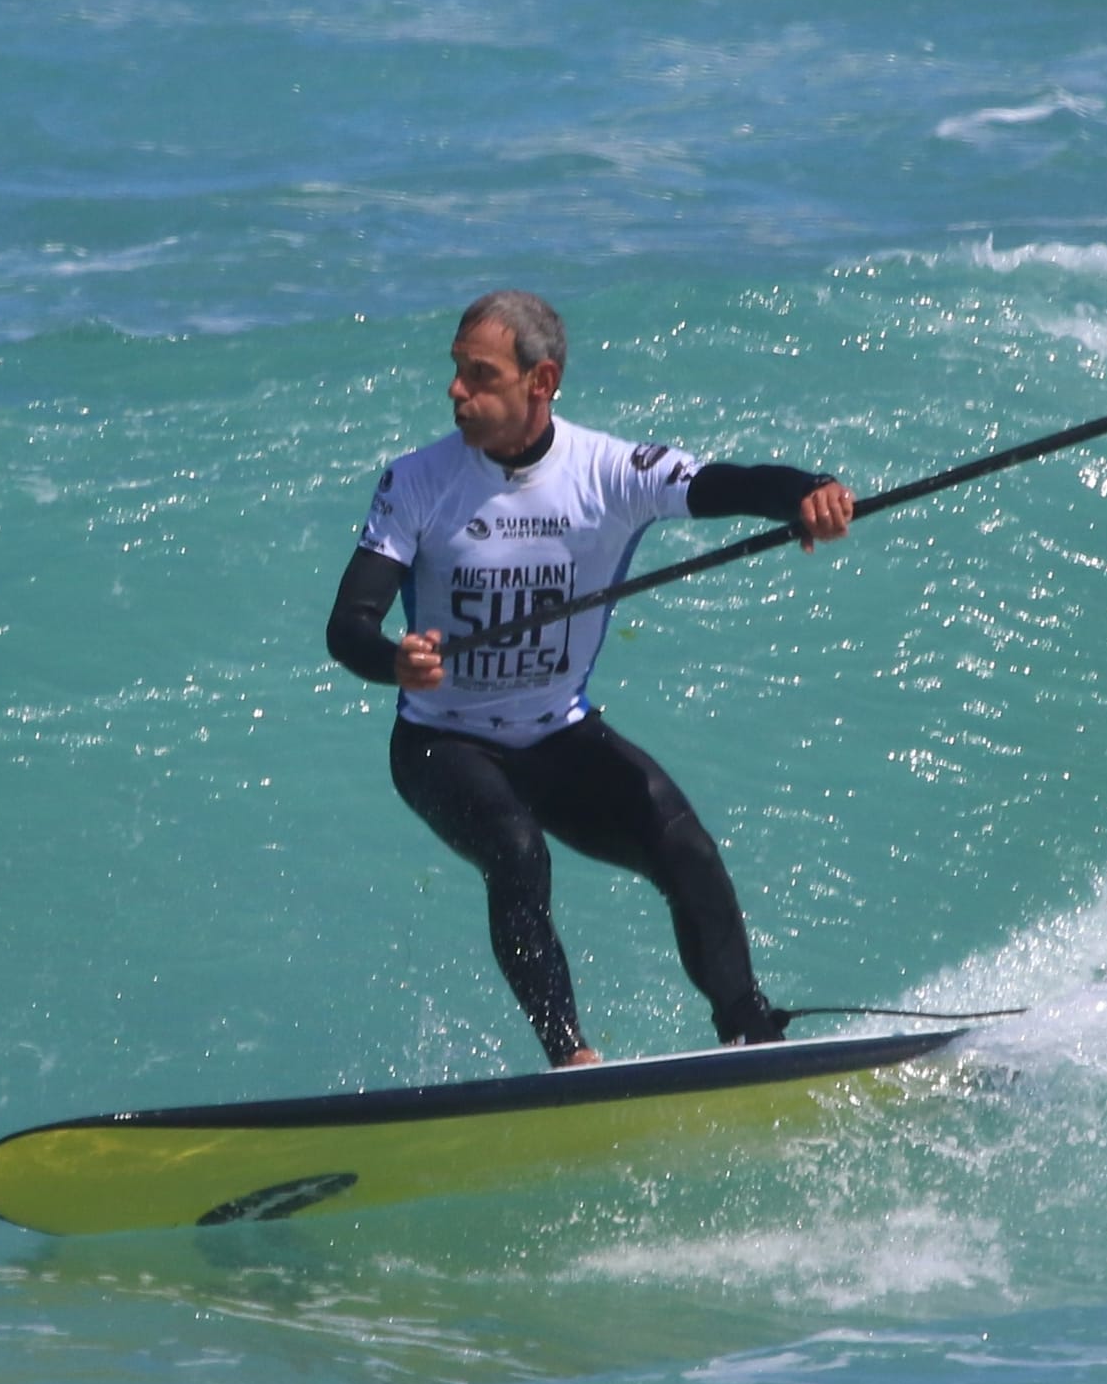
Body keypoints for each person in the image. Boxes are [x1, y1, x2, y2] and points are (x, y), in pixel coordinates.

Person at [326, 290, 856, 1068]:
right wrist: (394, 658)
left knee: (686, 848)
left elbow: (725, 484)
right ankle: (569, 1057)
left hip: (557, 733)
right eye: (456, 371)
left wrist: (807, 492)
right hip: (442, 743)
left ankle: (751, 1036)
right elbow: (349, 626)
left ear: (540, 383)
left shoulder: (606, 471)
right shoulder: (417, 482)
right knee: (515, 849)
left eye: (480, 375)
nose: (456, 391)